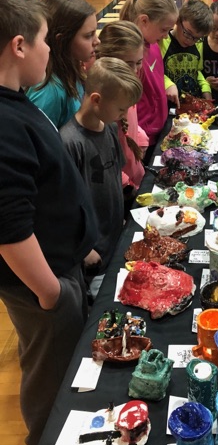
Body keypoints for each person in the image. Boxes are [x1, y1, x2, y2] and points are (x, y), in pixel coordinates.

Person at [0, 0, 95, 445]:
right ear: (18, 46)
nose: (48, 51)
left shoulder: (14, 102)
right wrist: (51, 291)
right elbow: (9, 226)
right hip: (46, 283)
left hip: (61, 267)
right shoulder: (4, 122)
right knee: (50, 376)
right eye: (42, 40)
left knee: (62, 370)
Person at [60, 57, 142, 297]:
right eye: (120, 108)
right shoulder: (69, 143)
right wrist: (84, 249)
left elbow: (113, 176)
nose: (123, 114)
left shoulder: (107, 128)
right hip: (93, 252)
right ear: (96, 99)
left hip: (114, 238)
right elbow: (65, 205)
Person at [26, 0, 99, 128]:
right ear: (61, 40)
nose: (97, 41)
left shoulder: (71, 71)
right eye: (89, 35)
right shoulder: (48, 93)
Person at [119, 0, 178, 148]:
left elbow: (155, 78)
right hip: (141, 142)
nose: (166, 36)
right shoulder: (131, 58)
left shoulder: (154, 44)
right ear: (144, 21)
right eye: (164, 29)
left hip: (158, 133)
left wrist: (168, 83)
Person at [96, 21, 148, 196]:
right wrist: (126, 183)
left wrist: (141, 139)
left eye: (138, 62)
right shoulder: (105, 97)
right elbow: (101, 153)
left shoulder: (127, 84)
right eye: (128, 64)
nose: (134, 70)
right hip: (122, 188)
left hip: (136, 175)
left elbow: (131, 124)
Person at [160, 0, 213, 107]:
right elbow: (154, 73)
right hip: (169, 106)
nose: (190, 41)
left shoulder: (198, 44)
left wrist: (206, 88)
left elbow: (197, 72)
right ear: (178, 21)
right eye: (187, 33)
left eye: (197, 38)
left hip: (193, 105)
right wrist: (167, 84)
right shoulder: (162, 41)